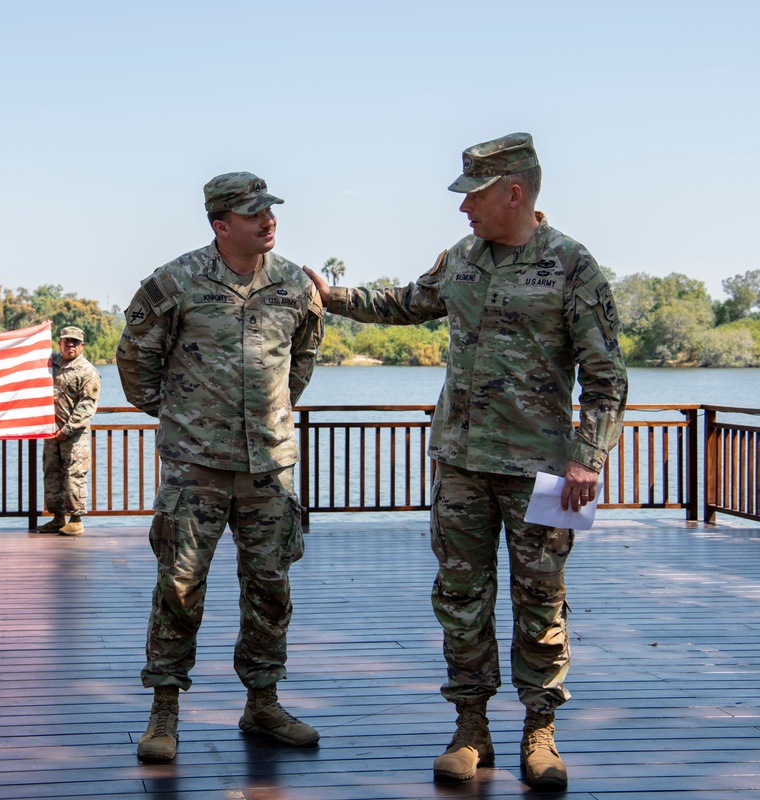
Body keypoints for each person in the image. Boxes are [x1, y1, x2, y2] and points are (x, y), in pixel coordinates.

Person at [304, 133, 628, 790]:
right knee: (460, 597)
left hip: (546, 470)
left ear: (514, 192)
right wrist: (332, 296)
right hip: (459, 463)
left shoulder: (573, 267)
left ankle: (540, 731)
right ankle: (470, 728)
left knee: (543, 599)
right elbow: (404, 302)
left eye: (472, 195)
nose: (462, 210)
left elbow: (607, 379)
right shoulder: (461, 260)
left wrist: (588, 459)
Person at [116, 172, 325, 762]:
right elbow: (134, 359)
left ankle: (263, 703)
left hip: (269, 469)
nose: (269, 220)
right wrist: (181, 414)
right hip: (196, 467)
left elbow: (304, 355)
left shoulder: (293, 284)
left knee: (270, 587)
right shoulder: (175, 282)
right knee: (179, 586)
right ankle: (164, 709)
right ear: (220, 224)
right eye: (254, 212)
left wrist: (276, 408)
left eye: (270, 210)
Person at [35, 325, 101, 536]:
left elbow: (87, 406)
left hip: (74, 435)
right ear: (59, 343)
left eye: (74, 342)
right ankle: (57, 517)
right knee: (52, 474)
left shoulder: (88, 371)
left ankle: (76, 519)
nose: (70, 345)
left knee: (74, 475)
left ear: (82, 346)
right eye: (66, 341)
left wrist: (66, 429)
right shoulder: (50, 364)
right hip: (50, 432)